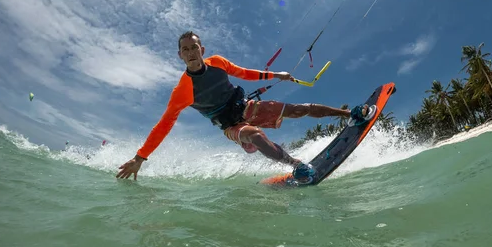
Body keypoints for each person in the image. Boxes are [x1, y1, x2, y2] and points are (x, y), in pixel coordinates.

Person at [116, 31, 372, 184]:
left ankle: (351, 114)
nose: (191, 52)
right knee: (255, 135)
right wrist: (140, 158)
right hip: (230, 125)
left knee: (297, 108)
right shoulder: (182, 91)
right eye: (185, 49)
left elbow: (245, 73)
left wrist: (276, 75)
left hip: (247, 106)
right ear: (180, 55)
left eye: (194, 47)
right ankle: (296, 165)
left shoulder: (217, 62)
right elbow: (163, 126)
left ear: (201, 49)